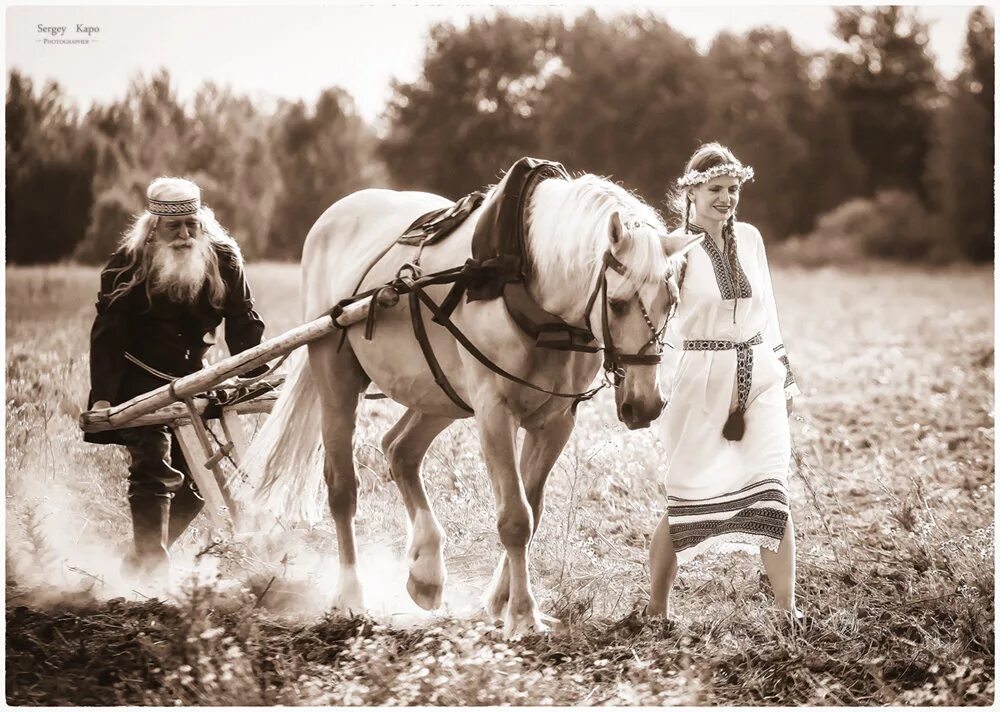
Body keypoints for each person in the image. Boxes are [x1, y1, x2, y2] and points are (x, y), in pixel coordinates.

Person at [648, 143, 802, 620]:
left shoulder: (752, 239)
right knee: (688, 492)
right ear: (690, 191)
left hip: (758, 375)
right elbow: (653, 322)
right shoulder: (673, 249)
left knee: (772, 488)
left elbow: (769, 311)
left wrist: (785, 378)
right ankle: (655, 608)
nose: (726, 198)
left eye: (733, 189)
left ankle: (787, 612)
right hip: (700, 380)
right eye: (715, 189)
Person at [85, 177, 267, 580]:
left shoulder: (224, 259)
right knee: (152, 467)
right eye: (174, 227)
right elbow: (108, 336)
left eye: (192, 224)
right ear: (154, 229)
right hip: (138, 382)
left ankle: (144, 554)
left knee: (204, 479)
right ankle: (151, 568)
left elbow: (243, 321)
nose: (185, 235)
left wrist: (255, 371)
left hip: (196, 382)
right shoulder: (126, 266)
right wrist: (103, 396)